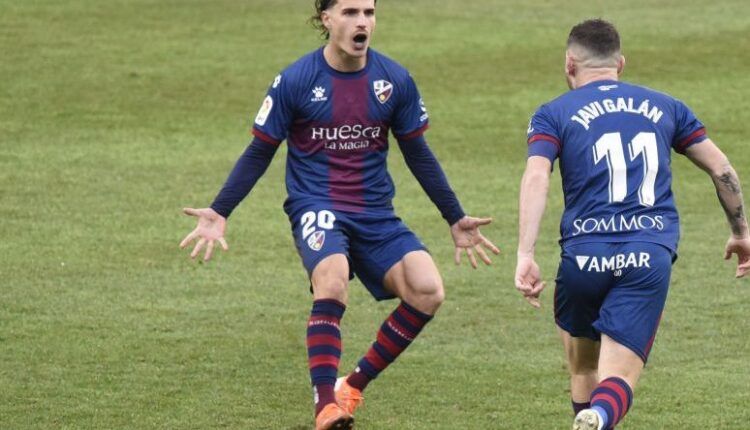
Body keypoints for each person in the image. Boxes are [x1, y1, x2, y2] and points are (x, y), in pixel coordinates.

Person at [180, 0, 499, 428]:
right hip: (317, 205)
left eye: (369, 12)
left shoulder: (394, 80)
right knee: (331, 279)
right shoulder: (295, 80)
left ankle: (353, 385)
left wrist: (454, 216)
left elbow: (418, 153)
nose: (362, 21)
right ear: (325, 19)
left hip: (375, 213)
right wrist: (221, 210)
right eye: (350, 12)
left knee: (428, 290)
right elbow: (261, 150)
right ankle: (325, 405)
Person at [515, 18, 750, 430]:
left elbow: (537, 177)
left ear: (570, 64)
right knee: (618, 378)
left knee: (583, 369)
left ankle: (591, 416)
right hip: (647, 255)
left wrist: (526, 254)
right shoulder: (666, 106)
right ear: (620, 63)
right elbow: (721, 168)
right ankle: (600, 416)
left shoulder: (552, 113)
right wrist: (741, 233)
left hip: (583, 257)